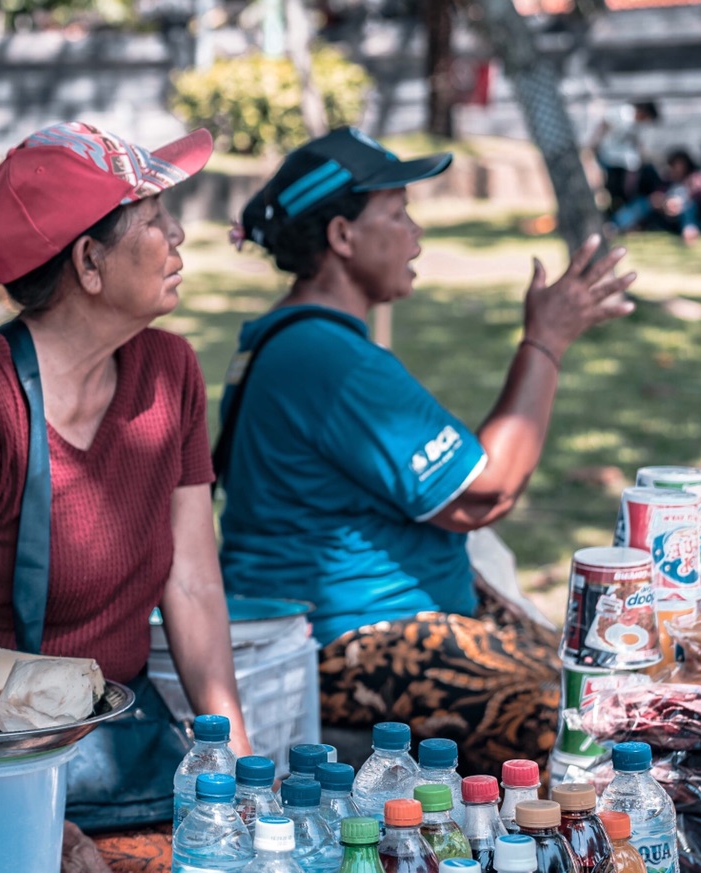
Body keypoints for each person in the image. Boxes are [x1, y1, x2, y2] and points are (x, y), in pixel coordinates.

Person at [0, 122, 251, 873]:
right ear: (88, 262)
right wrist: (28, 821)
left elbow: (192, 584)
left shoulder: (170, 371)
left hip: (116, 745)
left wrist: (235, 769)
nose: (179, 235)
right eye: (153, 218)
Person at [218, 128, 634, 776]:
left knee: (610, 675)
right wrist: (546, 340)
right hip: (338, 641)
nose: (415, 235)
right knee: (581, 720)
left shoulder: (295, 341)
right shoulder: (327, 359)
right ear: (342, 237)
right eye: (397, 213)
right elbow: (484, 492)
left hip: (352, 624)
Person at [615, 148, 701, 244]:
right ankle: (616, 225)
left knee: (689, 208)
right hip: (664, 213)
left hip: (685, 213)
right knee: (642, 202)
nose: (677, 169)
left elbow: (700, 199)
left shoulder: (694, 179)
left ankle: (689, 232)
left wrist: (680, 203)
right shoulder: (667, 180)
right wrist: (664, 203)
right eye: (675, 165)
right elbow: (656, 195)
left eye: (680, 165)